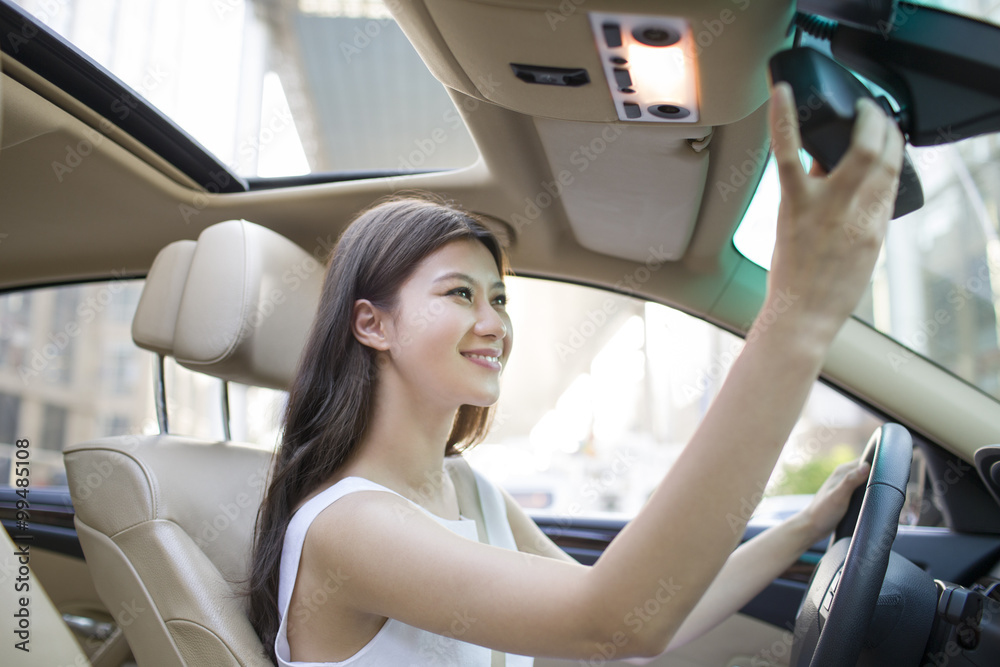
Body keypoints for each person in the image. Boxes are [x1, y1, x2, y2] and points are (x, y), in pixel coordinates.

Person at [245, 82, 903, 665]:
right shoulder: (350, 526)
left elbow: (649, 617)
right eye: (459, 294)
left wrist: (810, 523)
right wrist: (797, 322)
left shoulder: (466, 489)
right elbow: (614, 625)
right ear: (372, 325)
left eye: (499, 298)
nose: (493, 322)